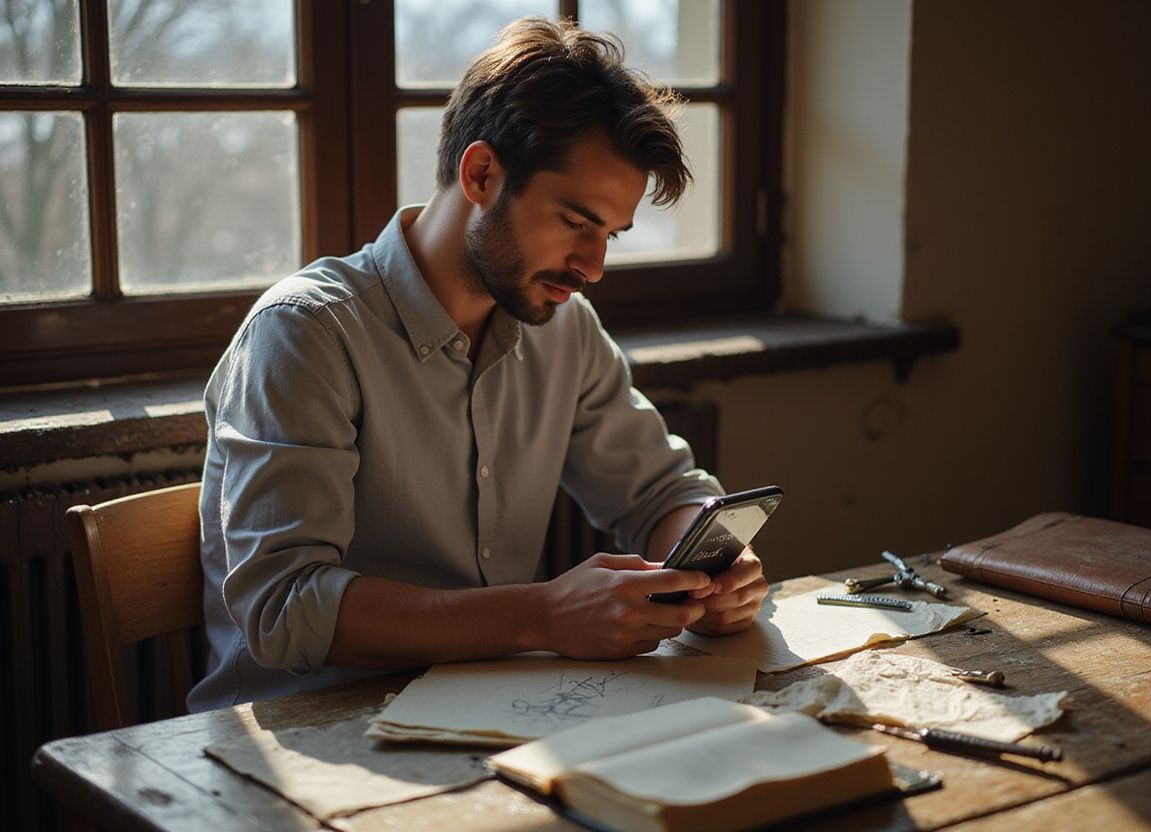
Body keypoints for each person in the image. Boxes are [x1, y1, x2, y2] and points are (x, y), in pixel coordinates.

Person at [188, 17, 767, 712]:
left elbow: (661, 493)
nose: (594, 267)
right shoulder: (307, 333)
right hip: (305, 735)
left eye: (611, 235)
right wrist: (542, 615)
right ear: (482, 173)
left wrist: (712, 564)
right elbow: (284, 608)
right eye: (577, 223)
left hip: (496, 710)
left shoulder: (562, 327)